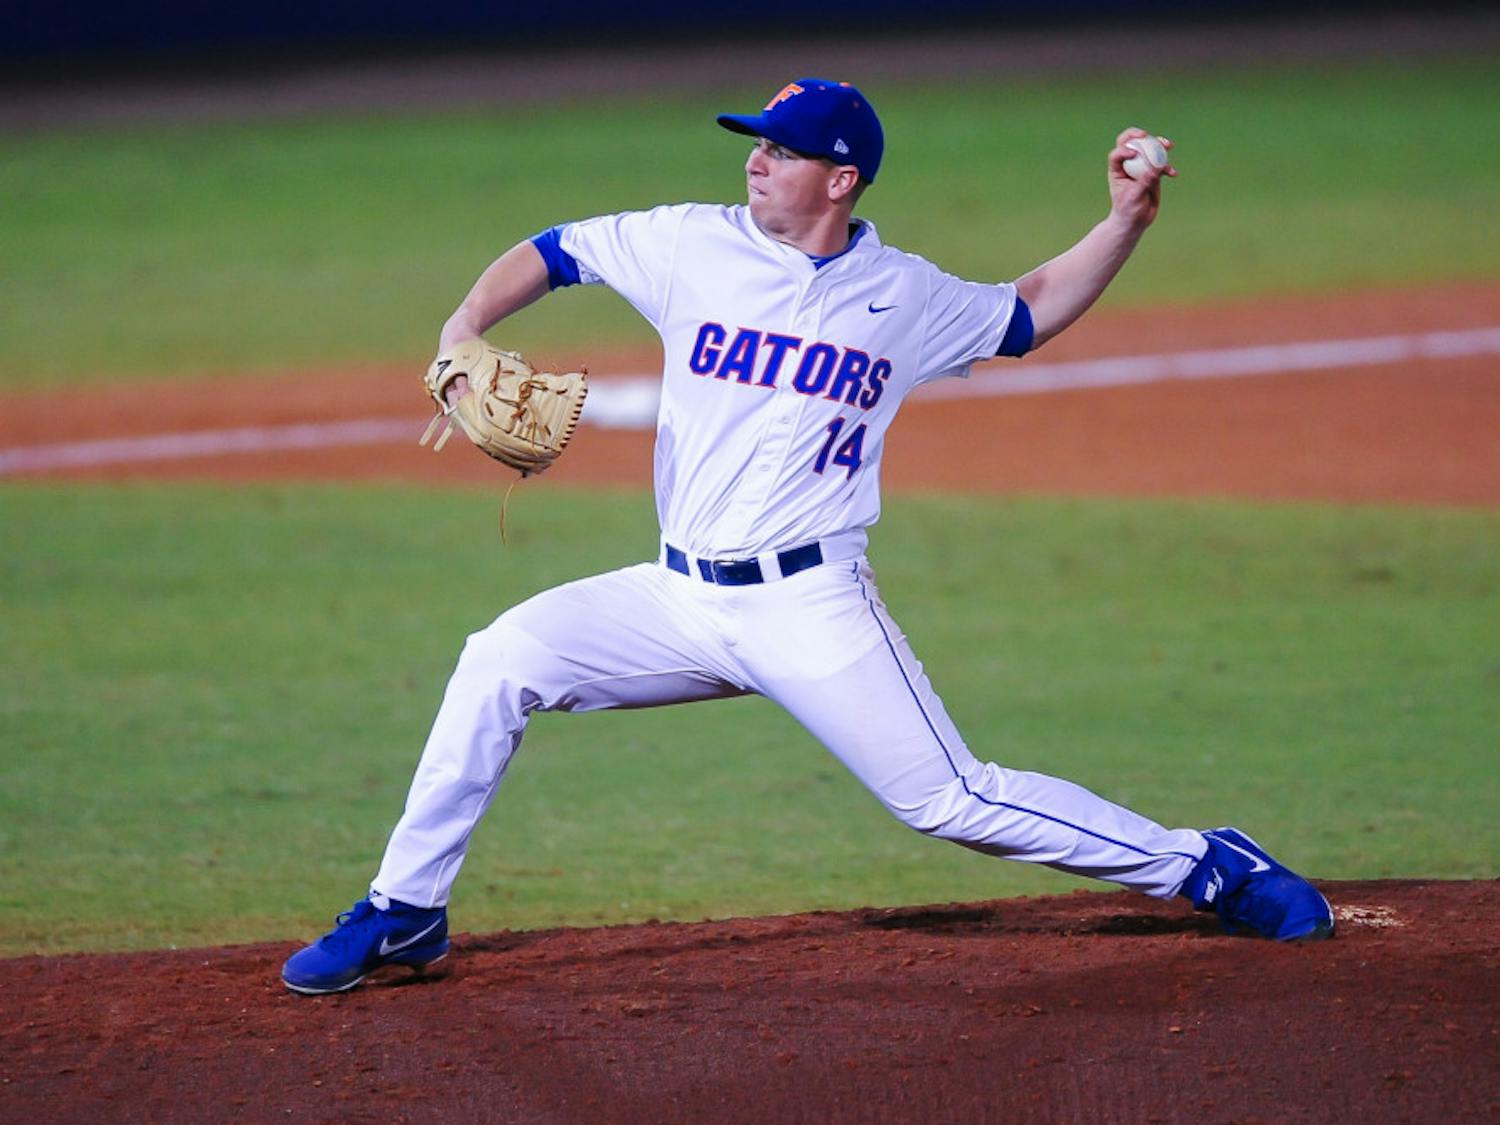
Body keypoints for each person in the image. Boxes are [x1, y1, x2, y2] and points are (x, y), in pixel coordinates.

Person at [282, 78, 1334, 995]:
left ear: (841, 179)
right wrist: (464, 328)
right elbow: (554, 252)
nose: (756, 159)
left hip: (810, 605)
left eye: (782, 150)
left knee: (948, 799)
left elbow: (1026, 314)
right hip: (676, 597)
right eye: (757, 141)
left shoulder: (904, 294)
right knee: (499, 659)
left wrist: (1125, 223)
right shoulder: (690, 242)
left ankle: (1206, 866)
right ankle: (405, 909)